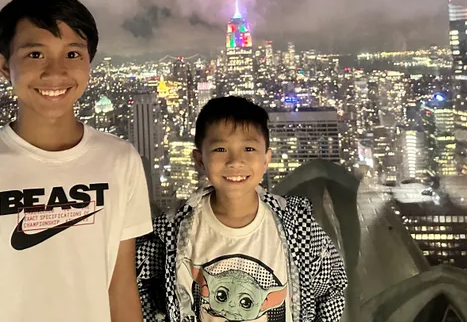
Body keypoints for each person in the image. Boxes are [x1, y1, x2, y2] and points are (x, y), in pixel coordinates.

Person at [0, 0, 152, 322]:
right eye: (35, 54)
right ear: (3, 65)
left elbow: (121, 288)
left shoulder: (120, 161)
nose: (56, 72)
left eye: (72, 54)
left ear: (89, 63)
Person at [136, 97, 347, 322]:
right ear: (200, 159)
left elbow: (332, 285)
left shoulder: (297, 226)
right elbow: (140, 285)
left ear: (266, 158)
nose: (235, 161)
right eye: (220, 149)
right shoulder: (172, 232)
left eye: (249, 148)